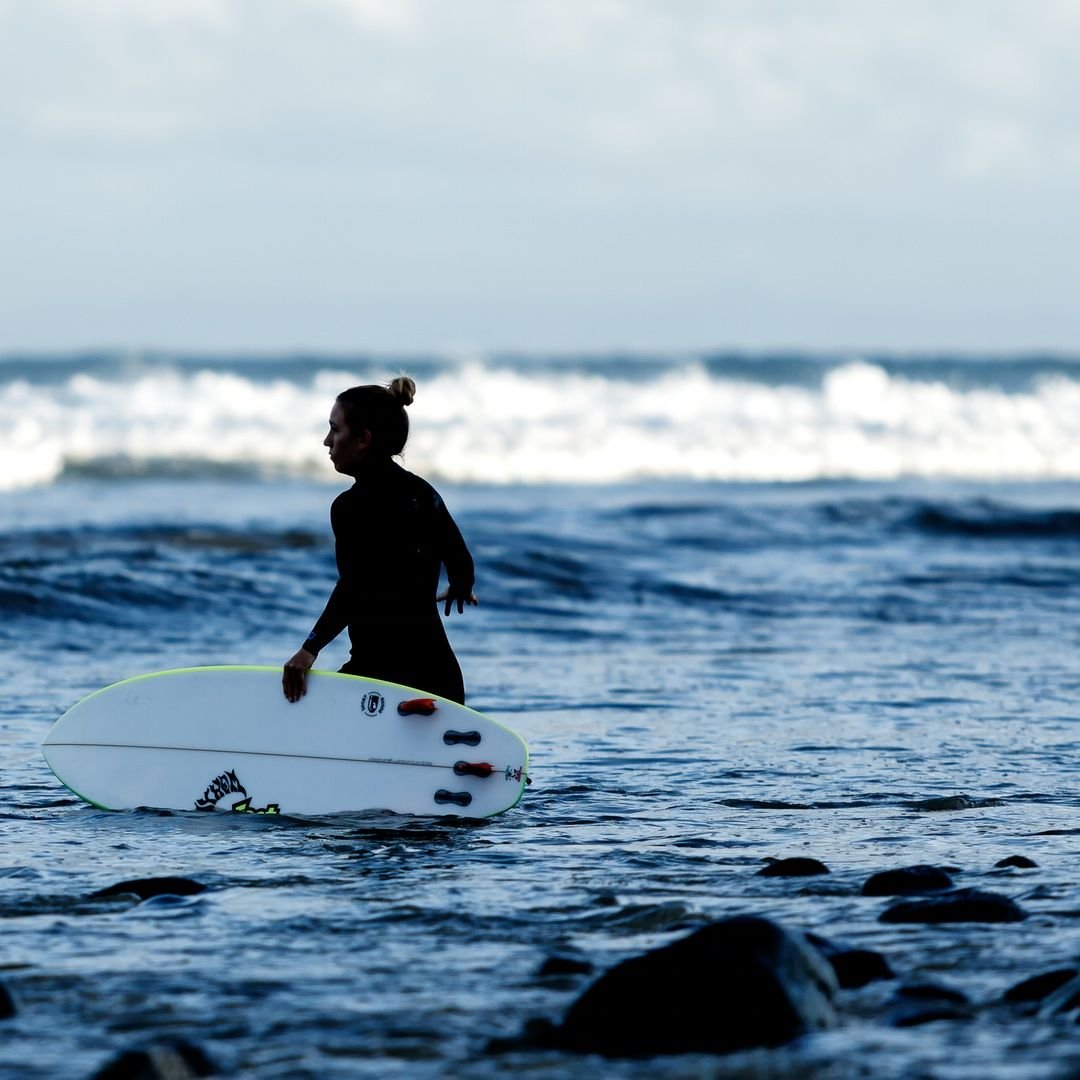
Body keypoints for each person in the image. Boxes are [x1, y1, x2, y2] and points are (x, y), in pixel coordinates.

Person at [282, 376, 477, 705]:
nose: (327, 441)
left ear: (363, 439)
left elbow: (353, 588)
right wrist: (460, 586)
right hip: (438, 677)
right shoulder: (423, 494)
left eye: (335, 429)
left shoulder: (350, 507)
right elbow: (460, 559)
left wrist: (309, 648)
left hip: (379, 677)